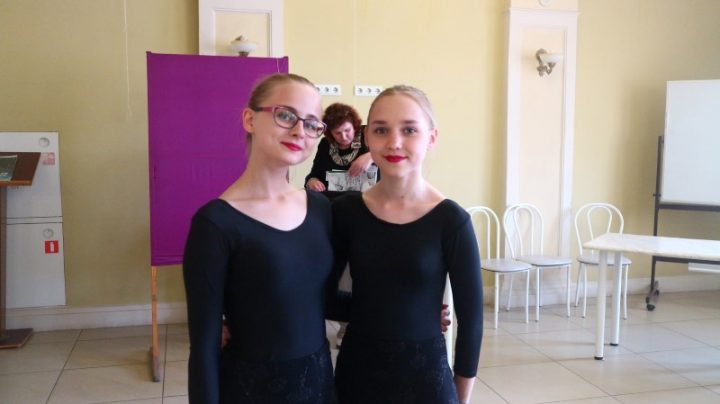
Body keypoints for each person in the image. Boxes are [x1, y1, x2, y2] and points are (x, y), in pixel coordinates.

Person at [182, 73, 337, 404]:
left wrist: (418, 308)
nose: (300, 131)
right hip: (252, 386)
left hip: (318, 381)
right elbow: (205, 346)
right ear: (250, 119)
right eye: (286, 115)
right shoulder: (215, 223)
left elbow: (322, 299)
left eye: (312, 124)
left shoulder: (320, 209)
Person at [330, 85, 484, 404]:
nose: (394, 142)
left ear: (431, 138)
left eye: (409, 130)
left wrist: (461, 396)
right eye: (381, 130)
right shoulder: (346, 212)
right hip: (359, 372)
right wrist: (399, 310)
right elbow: (323, 294)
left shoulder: (451, 220)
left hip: (426, 377)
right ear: (367, 138)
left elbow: (471, 322)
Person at [305, 103, 377, 199]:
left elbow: (390, 154)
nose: (344, 137)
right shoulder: (326, 144)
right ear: (330, 133)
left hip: (367, 200)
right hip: (333, 201)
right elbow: (314, 175)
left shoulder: (368, 135)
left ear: (354, 126)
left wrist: (371, 156)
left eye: (347, 130)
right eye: (337, 133)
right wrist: (312, 181)